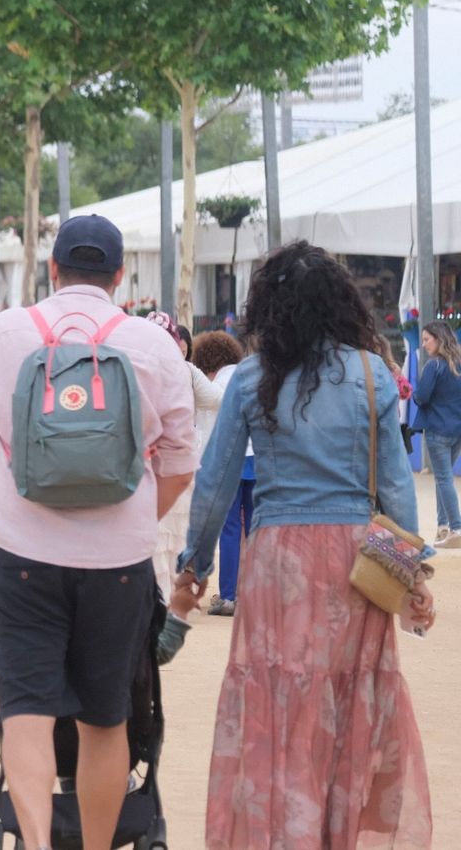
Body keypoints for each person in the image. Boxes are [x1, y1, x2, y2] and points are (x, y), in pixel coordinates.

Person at [0, 214, 196, 850]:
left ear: (52, 269)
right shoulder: (152, 344)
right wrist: (137, 517)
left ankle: (34, 843)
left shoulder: (3, 333)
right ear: (119, 276)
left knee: (25, 712)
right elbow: (180, 461)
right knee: (106, 718)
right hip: (118, 562)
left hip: (23, 556)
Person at [178, 241, 434, 848]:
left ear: (270, 307)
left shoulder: (249, 377)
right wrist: (414, 578)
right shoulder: (374, 375)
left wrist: (195, 565)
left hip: (276, 564)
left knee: (279, 697)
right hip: (356, 566)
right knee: (347, 701)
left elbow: (214, 484)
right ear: (340, 305)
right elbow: (397, 490)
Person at [145, 312, 222, 598]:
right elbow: (216, 398)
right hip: (180, 460)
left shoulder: (136, 367)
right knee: (177, 528)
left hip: (145, 460)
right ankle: (169, 590)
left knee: (153, 528)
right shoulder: (185, 371)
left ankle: (151, 592)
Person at [188, 331, 249, 615]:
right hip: (258, 459)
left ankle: (228, 595)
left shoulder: (219, 383)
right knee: (256, 529)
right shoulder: (249, 373)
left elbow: (212, 429)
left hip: (230, 461)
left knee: (230, 529)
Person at [414, 321, 461, 548]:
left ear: (438, 339)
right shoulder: (458, 364)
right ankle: (443, 528)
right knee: (444, 479)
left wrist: (414, 394)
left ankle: (456, 528)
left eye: (426, 339)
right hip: (457, 430)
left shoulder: (434, 366)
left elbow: (422, 397)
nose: (423, 345)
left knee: (443, 478)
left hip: (438, 430)